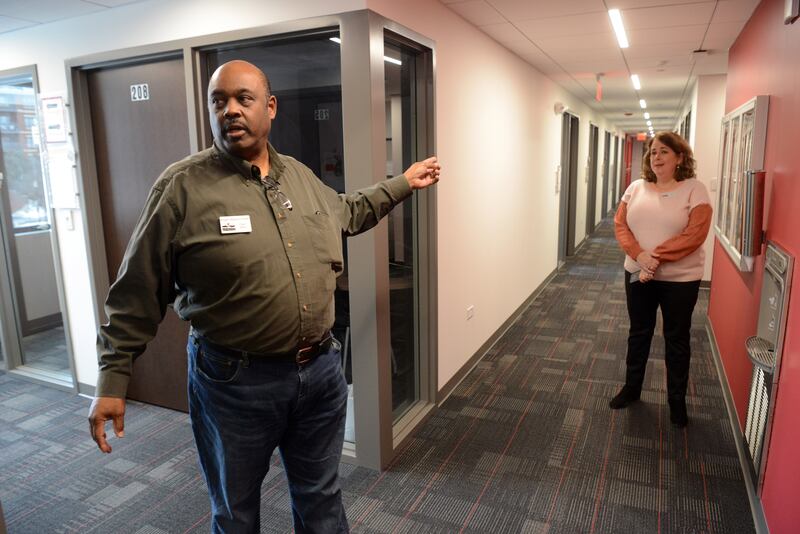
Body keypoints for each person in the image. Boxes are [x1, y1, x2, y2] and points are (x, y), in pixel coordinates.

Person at [87, 60, 441, 533]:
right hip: (234, 381)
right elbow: (136, 290)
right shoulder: (182, 187)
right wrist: (113, 378)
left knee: (321, 499)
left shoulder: (298, 176)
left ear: (270, 107)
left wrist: (403, 183)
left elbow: (349, 213)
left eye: (243, 99)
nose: (230, 110)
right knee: (236, 509)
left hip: (319, 373)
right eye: (219, 101)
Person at [609, 131, 712, 428]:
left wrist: (656, 257)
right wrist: (640, 256)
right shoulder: (636, 188)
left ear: (680, 157)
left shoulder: (695, 189)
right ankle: (632, 388)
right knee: (639, 332)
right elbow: (620, 224)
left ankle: (677, 401)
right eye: (653, 152)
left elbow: (695, 234)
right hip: (637, 272)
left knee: (677, 339)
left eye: (664, 151)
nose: (656, 157)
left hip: (680, 280)